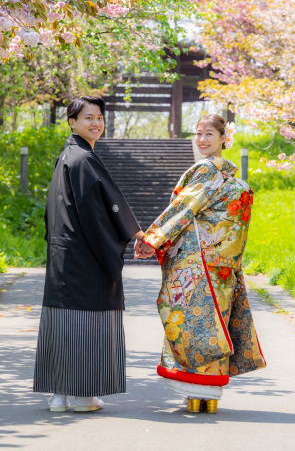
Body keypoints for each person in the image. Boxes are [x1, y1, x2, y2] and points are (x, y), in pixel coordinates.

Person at [135, 113, 266, 414]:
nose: (203, 139)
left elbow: (182, 210)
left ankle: (193, 394)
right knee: (214, 326)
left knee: (192, 325)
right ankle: (209, 397)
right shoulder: (237, 183)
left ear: (224, 139)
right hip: (223, 270)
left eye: (210, 134)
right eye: (198, 134)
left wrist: (152, 238)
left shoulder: (206, 171)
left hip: (197, 268)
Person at [34, 96, 146, 413]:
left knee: (62, 321)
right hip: (85, 255)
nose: (95, 123)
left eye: (99, 117)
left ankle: (59, 395)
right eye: (88, 118)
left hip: (63, 255)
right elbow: (99, 212)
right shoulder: (83, 159)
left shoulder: (68, 157)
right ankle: (83, 397)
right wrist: (132, 233)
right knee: (85, 322)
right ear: (72, 122)